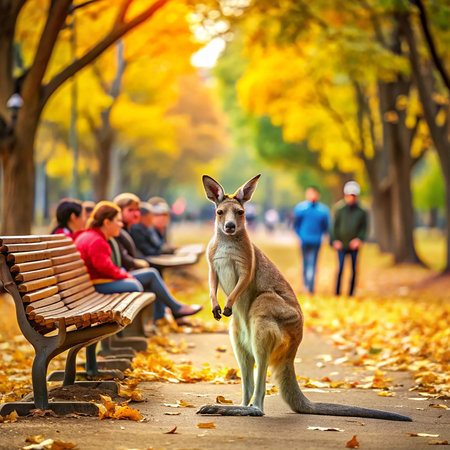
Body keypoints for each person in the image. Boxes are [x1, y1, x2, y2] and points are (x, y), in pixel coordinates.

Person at [111, 193, 202, 321]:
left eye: (137, 210)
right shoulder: (120, 230)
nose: (136, 214)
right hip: (119, 275)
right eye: (131, 210)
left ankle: (161, 316)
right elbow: (124, 258)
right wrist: (138, 263)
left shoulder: (127, 229)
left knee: (153, 273)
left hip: (124, 272)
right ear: (119, 212)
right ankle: (171, 311)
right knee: (152, 273)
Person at [332, 181, 368, 296]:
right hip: (341, 245)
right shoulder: (339, 209)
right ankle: (337, 292)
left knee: (353, 270)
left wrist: (359, 239)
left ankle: (351, 293)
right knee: (340, 269)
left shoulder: (362, 211)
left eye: (353, 195)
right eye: (349, 195)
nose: (351, 198)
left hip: (354, 246)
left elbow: (364, 227)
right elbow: (334, 226)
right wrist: (335, 240)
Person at [293, 186, 330, 293]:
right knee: (305, 263)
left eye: (315, 194)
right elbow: (296, 224)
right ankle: (305, 284)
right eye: (311, 193)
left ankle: (310, 287)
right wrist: (298, 237)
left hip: (316, 241)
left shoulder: (323, 210)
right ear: (307, 194)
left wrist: (323, 236)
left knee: (313, 263)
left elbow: (326, 226)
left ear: (318, 195)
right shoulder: (300, 208)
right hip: (304, 240)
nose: (313, 196)